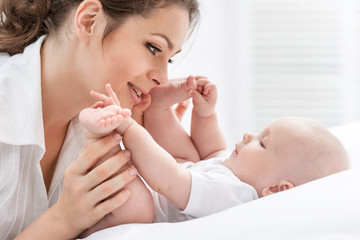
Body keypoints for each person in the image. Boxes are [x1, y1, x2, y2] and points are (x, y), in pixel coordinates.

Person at [0, 0, 200, 239]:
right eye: (153, 48)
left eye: (169, 59)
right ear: (89, 21)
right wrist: (63, 219)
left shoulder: (107, 131)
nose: (163, 79)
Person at [79, 76, 350, 223]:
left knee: (137, 204)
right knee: (190, 156)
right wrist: (205, 113)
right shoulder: (236, 172)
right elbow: (213, 151)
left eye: (262, 142)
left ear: (278, 190)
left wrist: (129, 129)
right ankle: (159, 107)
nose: (249, 134)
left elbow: (170, 181)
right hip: (173, 174)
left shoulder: (237, 197)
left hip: (146, 198)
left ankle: (100, 136)